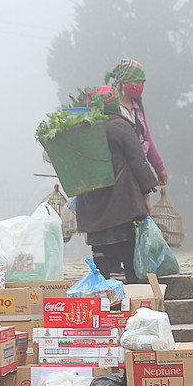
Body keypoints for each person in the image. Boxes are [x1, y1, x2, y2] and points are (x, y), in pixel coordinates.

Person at [75, 86, 160, 284]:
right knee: (127, 250)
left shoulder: (82, 130)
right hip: (122, 204)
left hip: (93, 206)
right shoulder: (120, 126)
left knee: (100, 252)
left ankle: (103, 294)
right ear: (114, 104)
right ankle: (133, 291)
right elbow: (137, 160)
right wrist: (146, 191)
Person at [105, 59, 167, 188]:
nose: (140, 86)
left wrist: (159, 167)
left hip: (139, 170)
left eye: (142, 83)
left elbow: (147, 138)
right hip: (119, 172)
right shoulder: (112, 107)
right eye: (137, 82)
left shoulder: (137, 107)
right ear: (123, 82)